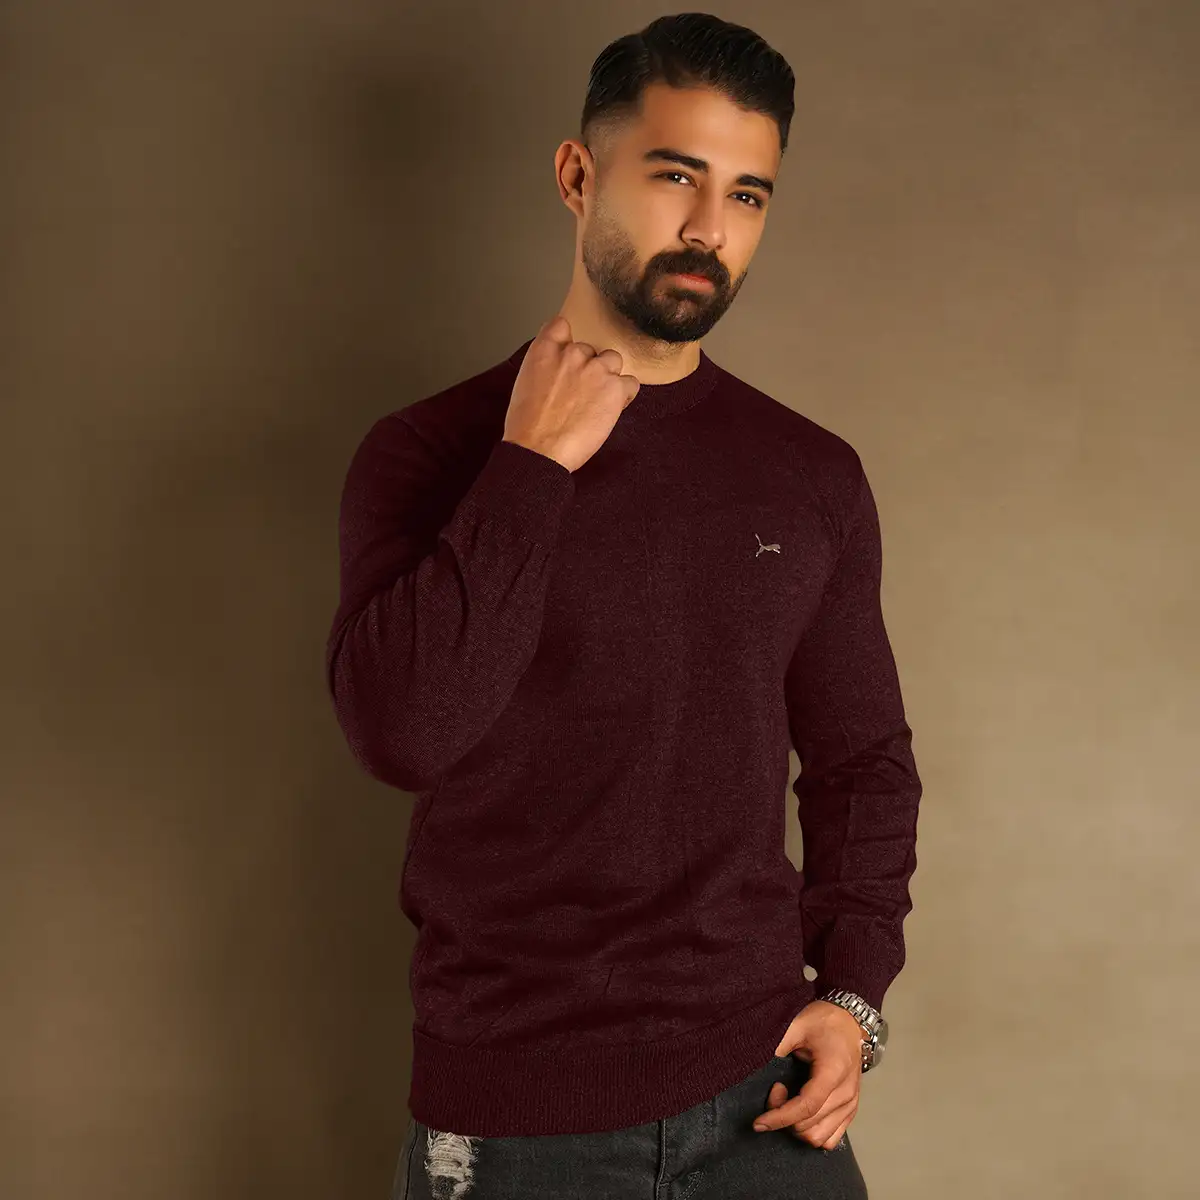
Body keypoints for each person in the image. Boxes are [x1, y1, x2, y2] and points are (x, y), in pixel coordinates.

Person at [325, 13, 922, 1198]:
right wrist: (531, 468)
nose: (709, 229)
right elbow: (403, 735)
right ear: (577, 174)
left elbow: (862, 760)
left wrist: (854, 991)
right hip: (519, 1129)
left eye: (747, 195)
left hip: (765, 1106)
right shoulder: (430, 454)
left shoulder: (809, 475)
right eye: (675, 176)